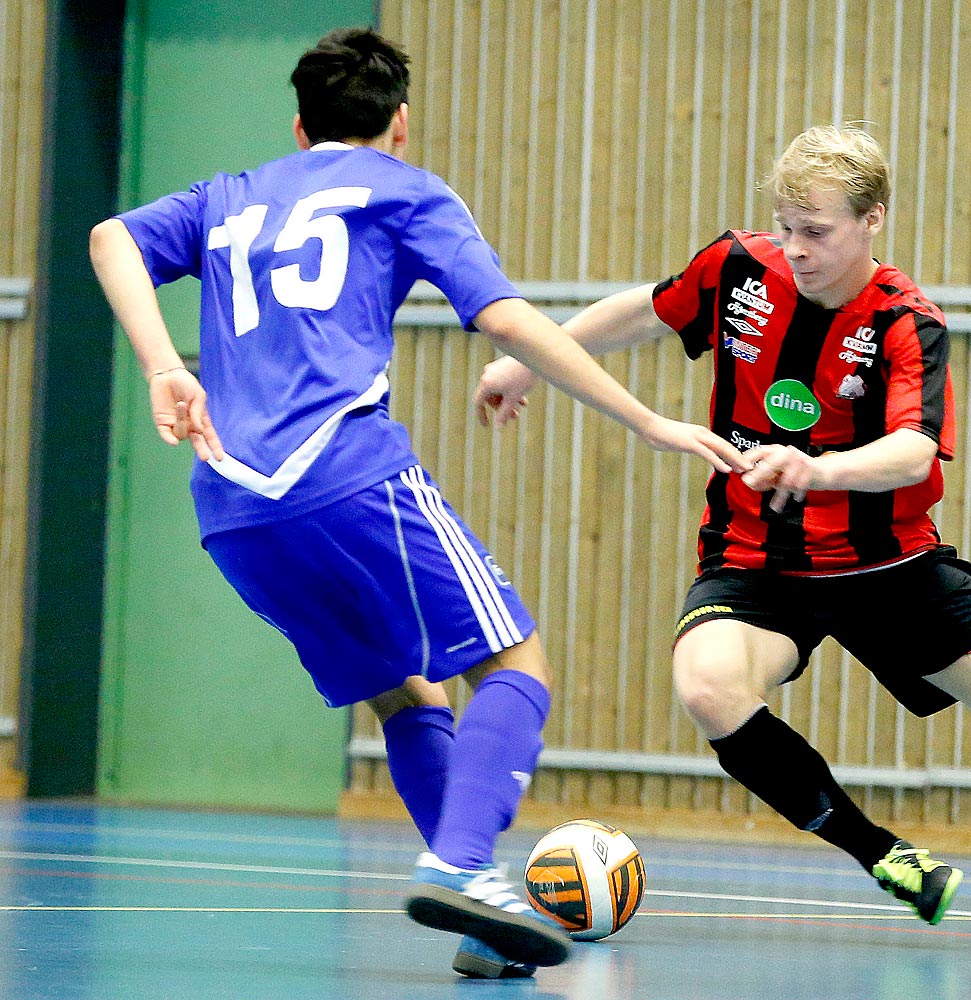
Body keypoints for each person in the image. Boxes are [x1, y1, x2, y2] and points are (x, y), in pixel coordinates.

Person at [89, 27, 746, 980]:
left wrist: (163, 369)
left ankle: (478, 920)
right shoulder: (407, 190)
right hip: (347, 472)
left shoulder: (226, 198)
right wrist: (645, 418)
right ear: (399, 124)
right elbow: (507, 318)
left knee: (407, 686)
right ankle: (462, 862)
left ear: (299, 122)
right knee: (516, 658)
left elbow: (111, 237)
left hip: (231, 506)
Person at [474, 124, 971, 955]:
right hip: (755, 561)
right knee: (706, 686)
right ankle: (885, 856)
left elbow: (914, 449)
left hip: (893, 566)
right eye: (785, 226)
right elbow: (646, 307)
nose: (796, 249)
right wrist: (530, 359)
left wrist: (821, 470)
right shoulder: (740, 270)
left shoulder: (902, 320)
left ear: (872, 220)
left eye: (816, 231)